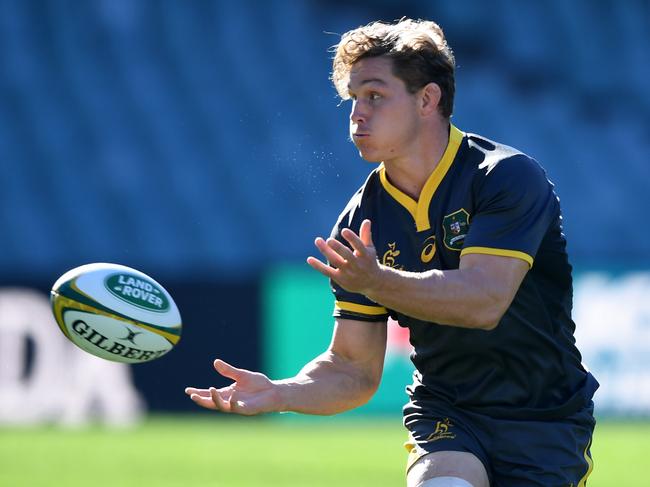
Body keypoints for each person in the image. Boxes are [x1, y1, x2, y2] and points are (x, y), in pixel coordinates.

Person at [186, 18, 598, 487]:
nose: (357, 113)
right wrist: (282, 392)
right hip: (449, 413)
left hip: (544, 417)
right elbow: (353, 369)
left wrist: (378, 280)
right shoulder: (360, 222)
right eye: (353, 99)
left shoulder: (505, 177)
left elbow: (483, 301)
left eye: (375, 96)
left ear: (427, 99)